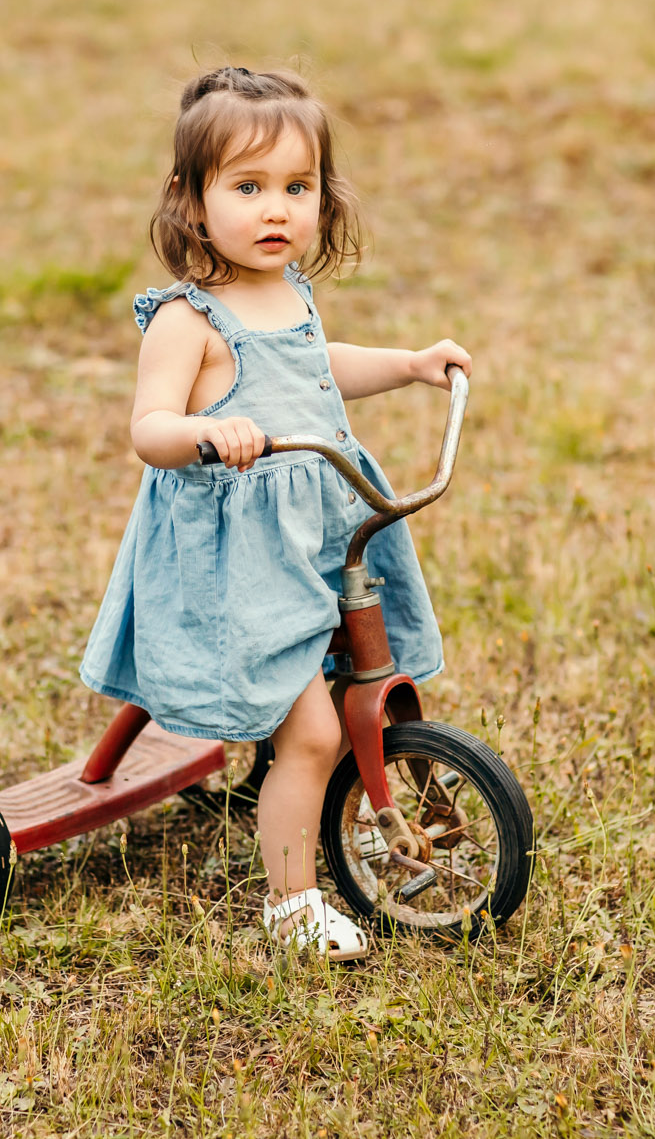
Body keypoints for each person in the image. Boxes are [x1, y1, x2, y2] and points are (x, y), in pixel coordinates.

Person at [79, 66, 470, 960]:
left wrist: (409, 363)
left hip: (319, 528)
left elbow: (319, 365)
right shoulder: (186, 320)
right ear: (190, 198)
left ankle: (363, 817)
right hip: (240, 559)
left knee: (355, 684)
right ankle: (290, 904)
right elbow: (149, 429)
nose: (276, 211)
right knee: (315, 729)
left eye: (297, 188)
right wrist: (210, 434)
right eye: (248, 188)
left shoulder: (288, 290)